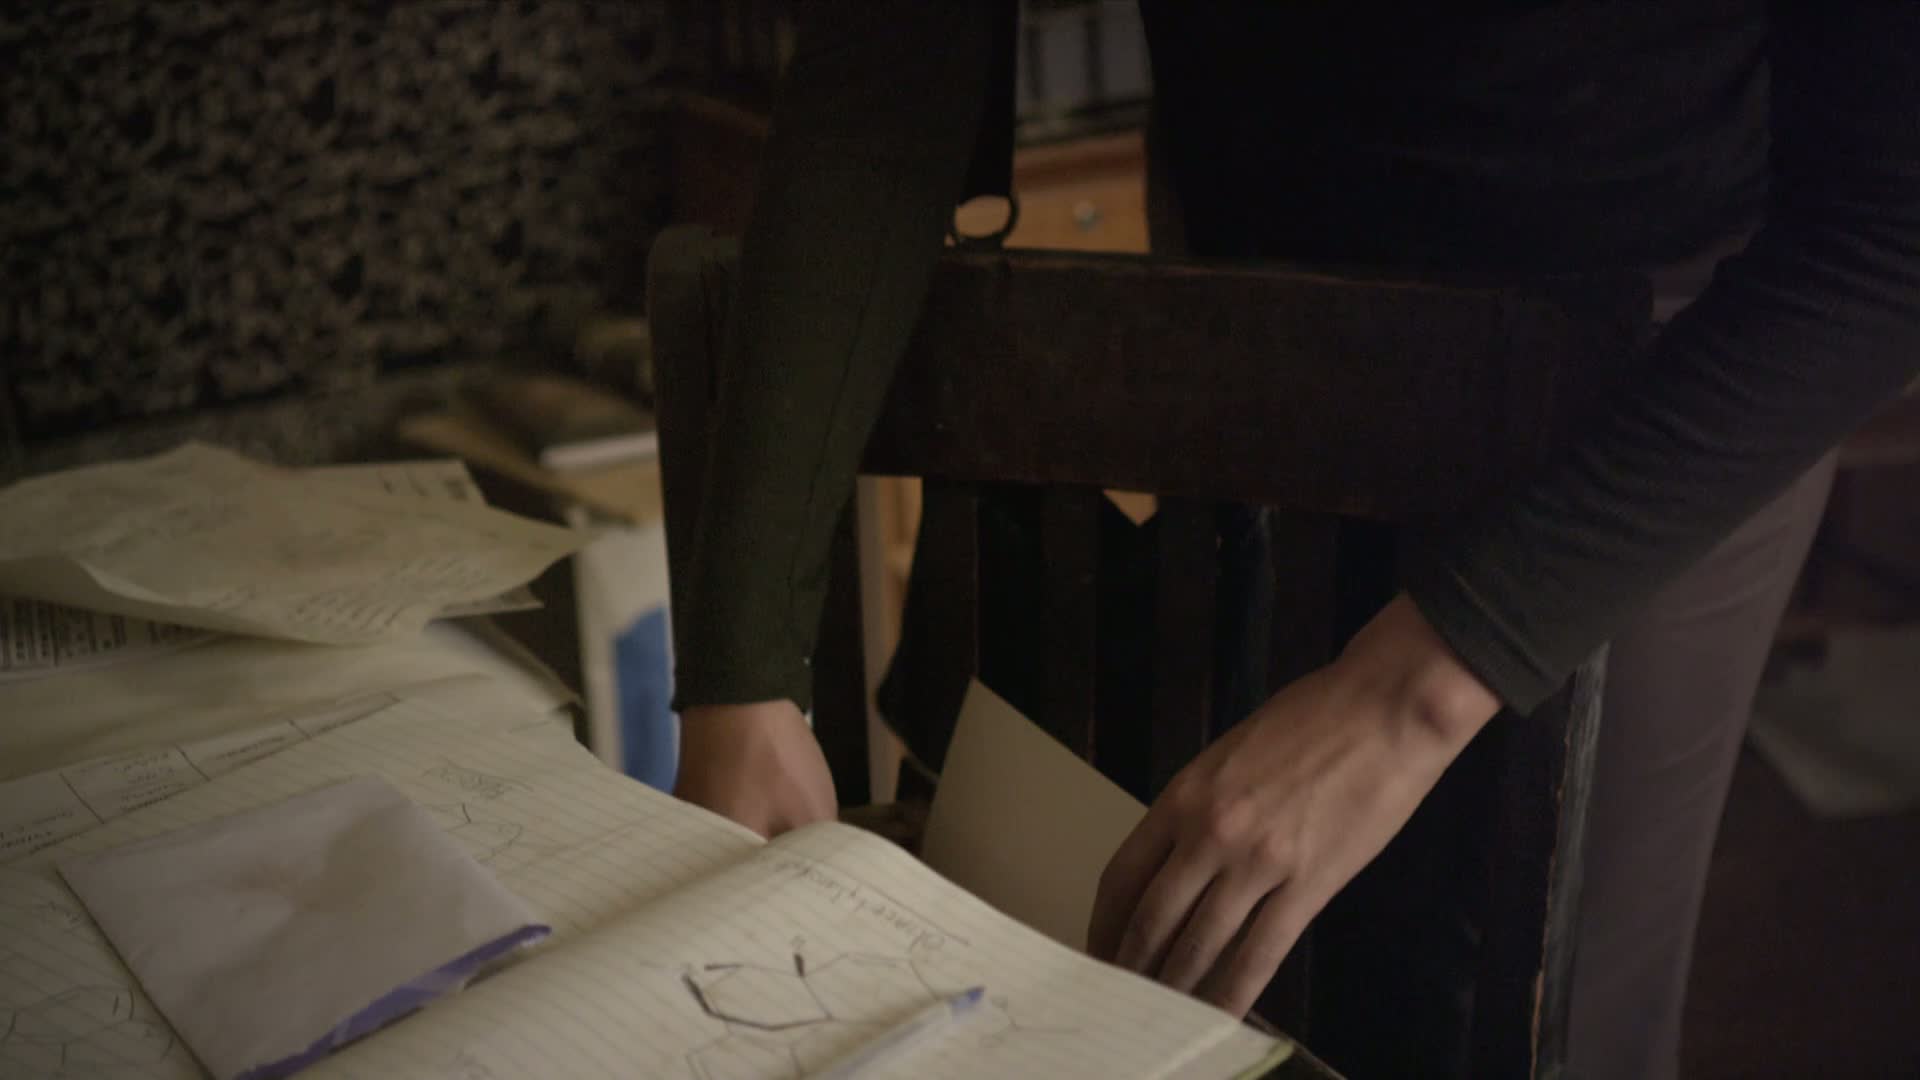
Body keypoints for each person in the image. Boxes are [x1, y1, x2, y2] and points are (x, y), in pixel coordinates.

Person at [666, 5, 1920, 1078]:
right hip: (1250, 273)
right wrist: (745, 677)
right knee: (1262, 978)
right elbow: (887, 74)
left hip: (1657, 369)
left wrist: (1408, 695)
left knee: (1559, 1005)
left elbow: (1893, 225)